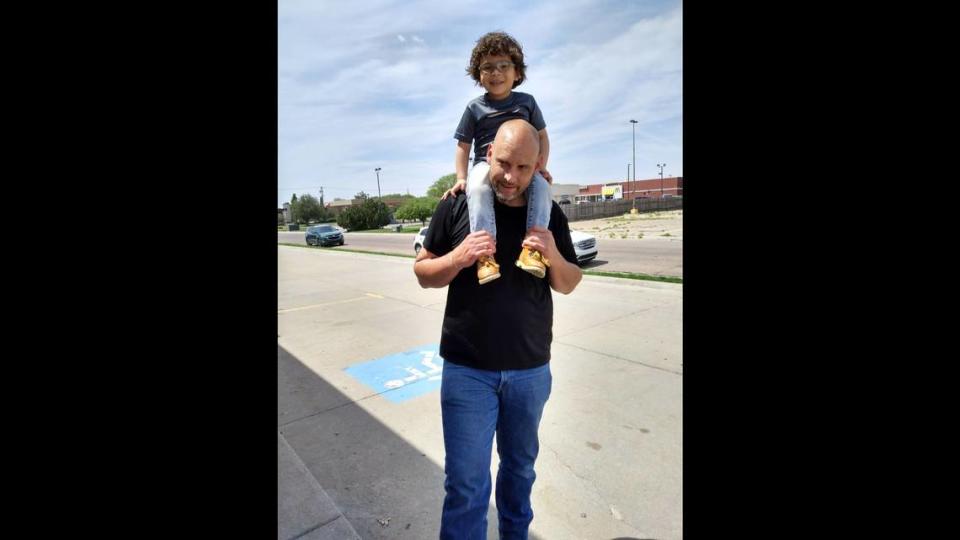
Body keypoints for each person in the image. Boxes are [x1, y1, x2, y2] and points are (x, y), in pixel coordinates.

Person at [414, 119, 583, 539]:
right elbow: (423, 273)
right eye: (503, 163)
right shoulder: (456, 205)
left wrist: (553, 256)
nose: (511, 177)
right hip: (467, 371)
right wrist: (458, 257)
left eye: (524, 168)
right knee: (466, 485)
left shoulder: (547, 213)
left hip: (529, 371)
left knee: (520, 473)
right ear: (488, 155)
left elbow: (568, 283)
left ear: (539, 166)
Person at [445, 31, 554, 285]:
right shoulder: (474, 108)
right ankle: (485, 254)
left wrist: (540, 167)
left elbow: (542, 138)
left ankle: (533, 250)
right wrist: (461, 177)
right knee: (478, 186)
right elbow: (463, 146)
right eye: (488, 67)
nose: (496, 72)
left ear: (517, 73)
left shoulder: (527, 102)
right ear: (478, 75)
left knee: (542, 187)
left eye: (504, 66)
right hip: (485, 164)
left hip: (521, 165)